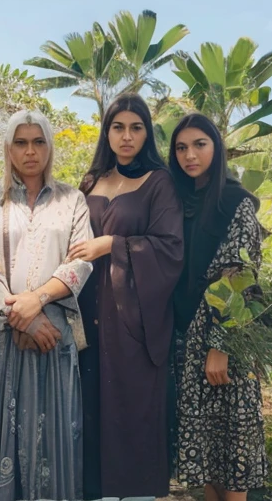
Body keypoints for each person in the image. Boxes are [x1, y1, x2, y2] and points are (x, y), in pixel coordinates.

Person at [0, 109, 94, 501]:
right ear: (7, 148)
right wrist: (18, 319)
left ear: (49, 147)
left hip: (53, 336)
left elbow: (80, 261)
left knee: (54, 435)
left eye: (38, 142)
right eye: (21, 142)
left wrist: (36, 304)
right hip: (2, 338)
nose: (30, 151)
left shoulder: (72, 199)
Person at [72, 93, 184, 500]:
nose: (126, 136)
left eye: (136, 128)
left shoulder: (159, 183)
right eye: (118, 127)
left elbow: (170, 249)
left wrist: (110, 245)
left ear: (147, 133)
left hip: (134, 323)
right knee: (90, 412)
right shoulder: (91, 181)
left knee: (133, 415)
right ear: (107, 132)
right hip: (88, 318)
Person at [169, 113, 267, 501]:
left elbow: (242, 278)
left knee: (233, 459)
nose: (189, 155)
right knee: (208, 459)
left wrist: (220, 346)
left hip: (222, 341)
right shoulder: (180, 201)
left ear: (217, 148)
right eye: (180, 147)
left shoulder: (235, 201)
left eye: (199, 144)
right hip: (184, 341)